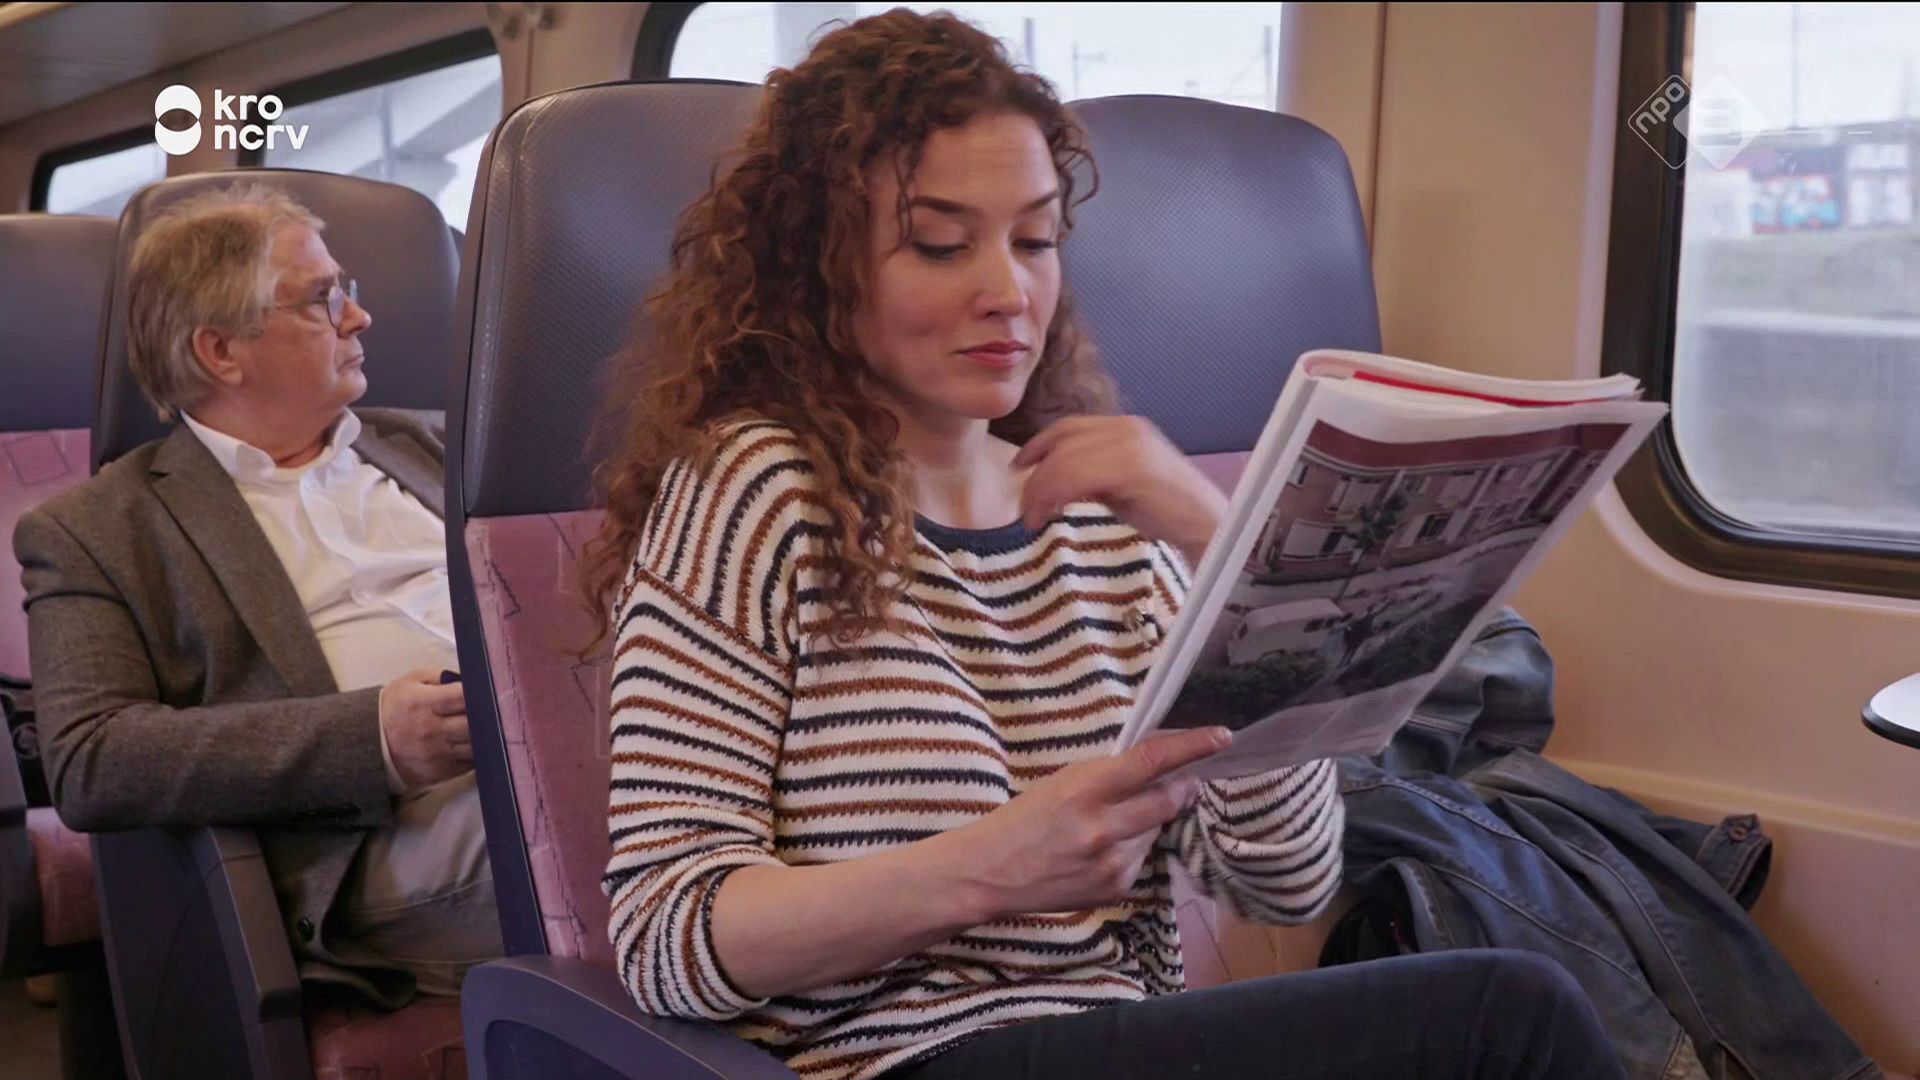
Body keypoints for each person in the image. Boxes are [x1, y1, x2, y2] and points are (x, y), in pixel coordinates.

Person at [583, 11, 1624, 1080]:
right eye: (941, 244)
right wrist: (988, 868)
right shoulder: (751, 491)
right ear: (819, 267)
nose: (1008, 293)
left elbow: (1284, 878)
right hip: (895, 1062)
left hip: (1111, 1038)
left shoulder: (1103, 515)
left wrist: (1224, 548)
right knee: (1505, 1017)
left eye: (1034, 242)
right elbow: (668, 940)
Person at [14, 184, 500, 1006]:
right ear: (221, 351)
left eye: (348, 291)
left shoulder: (438, 443)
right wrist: (373, 739)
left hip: (550, 758)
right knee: (623, 832)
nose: (359, 318)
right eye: (323, 300)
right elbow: (93, 759)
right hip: (378, 837)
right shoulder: (99, 527)